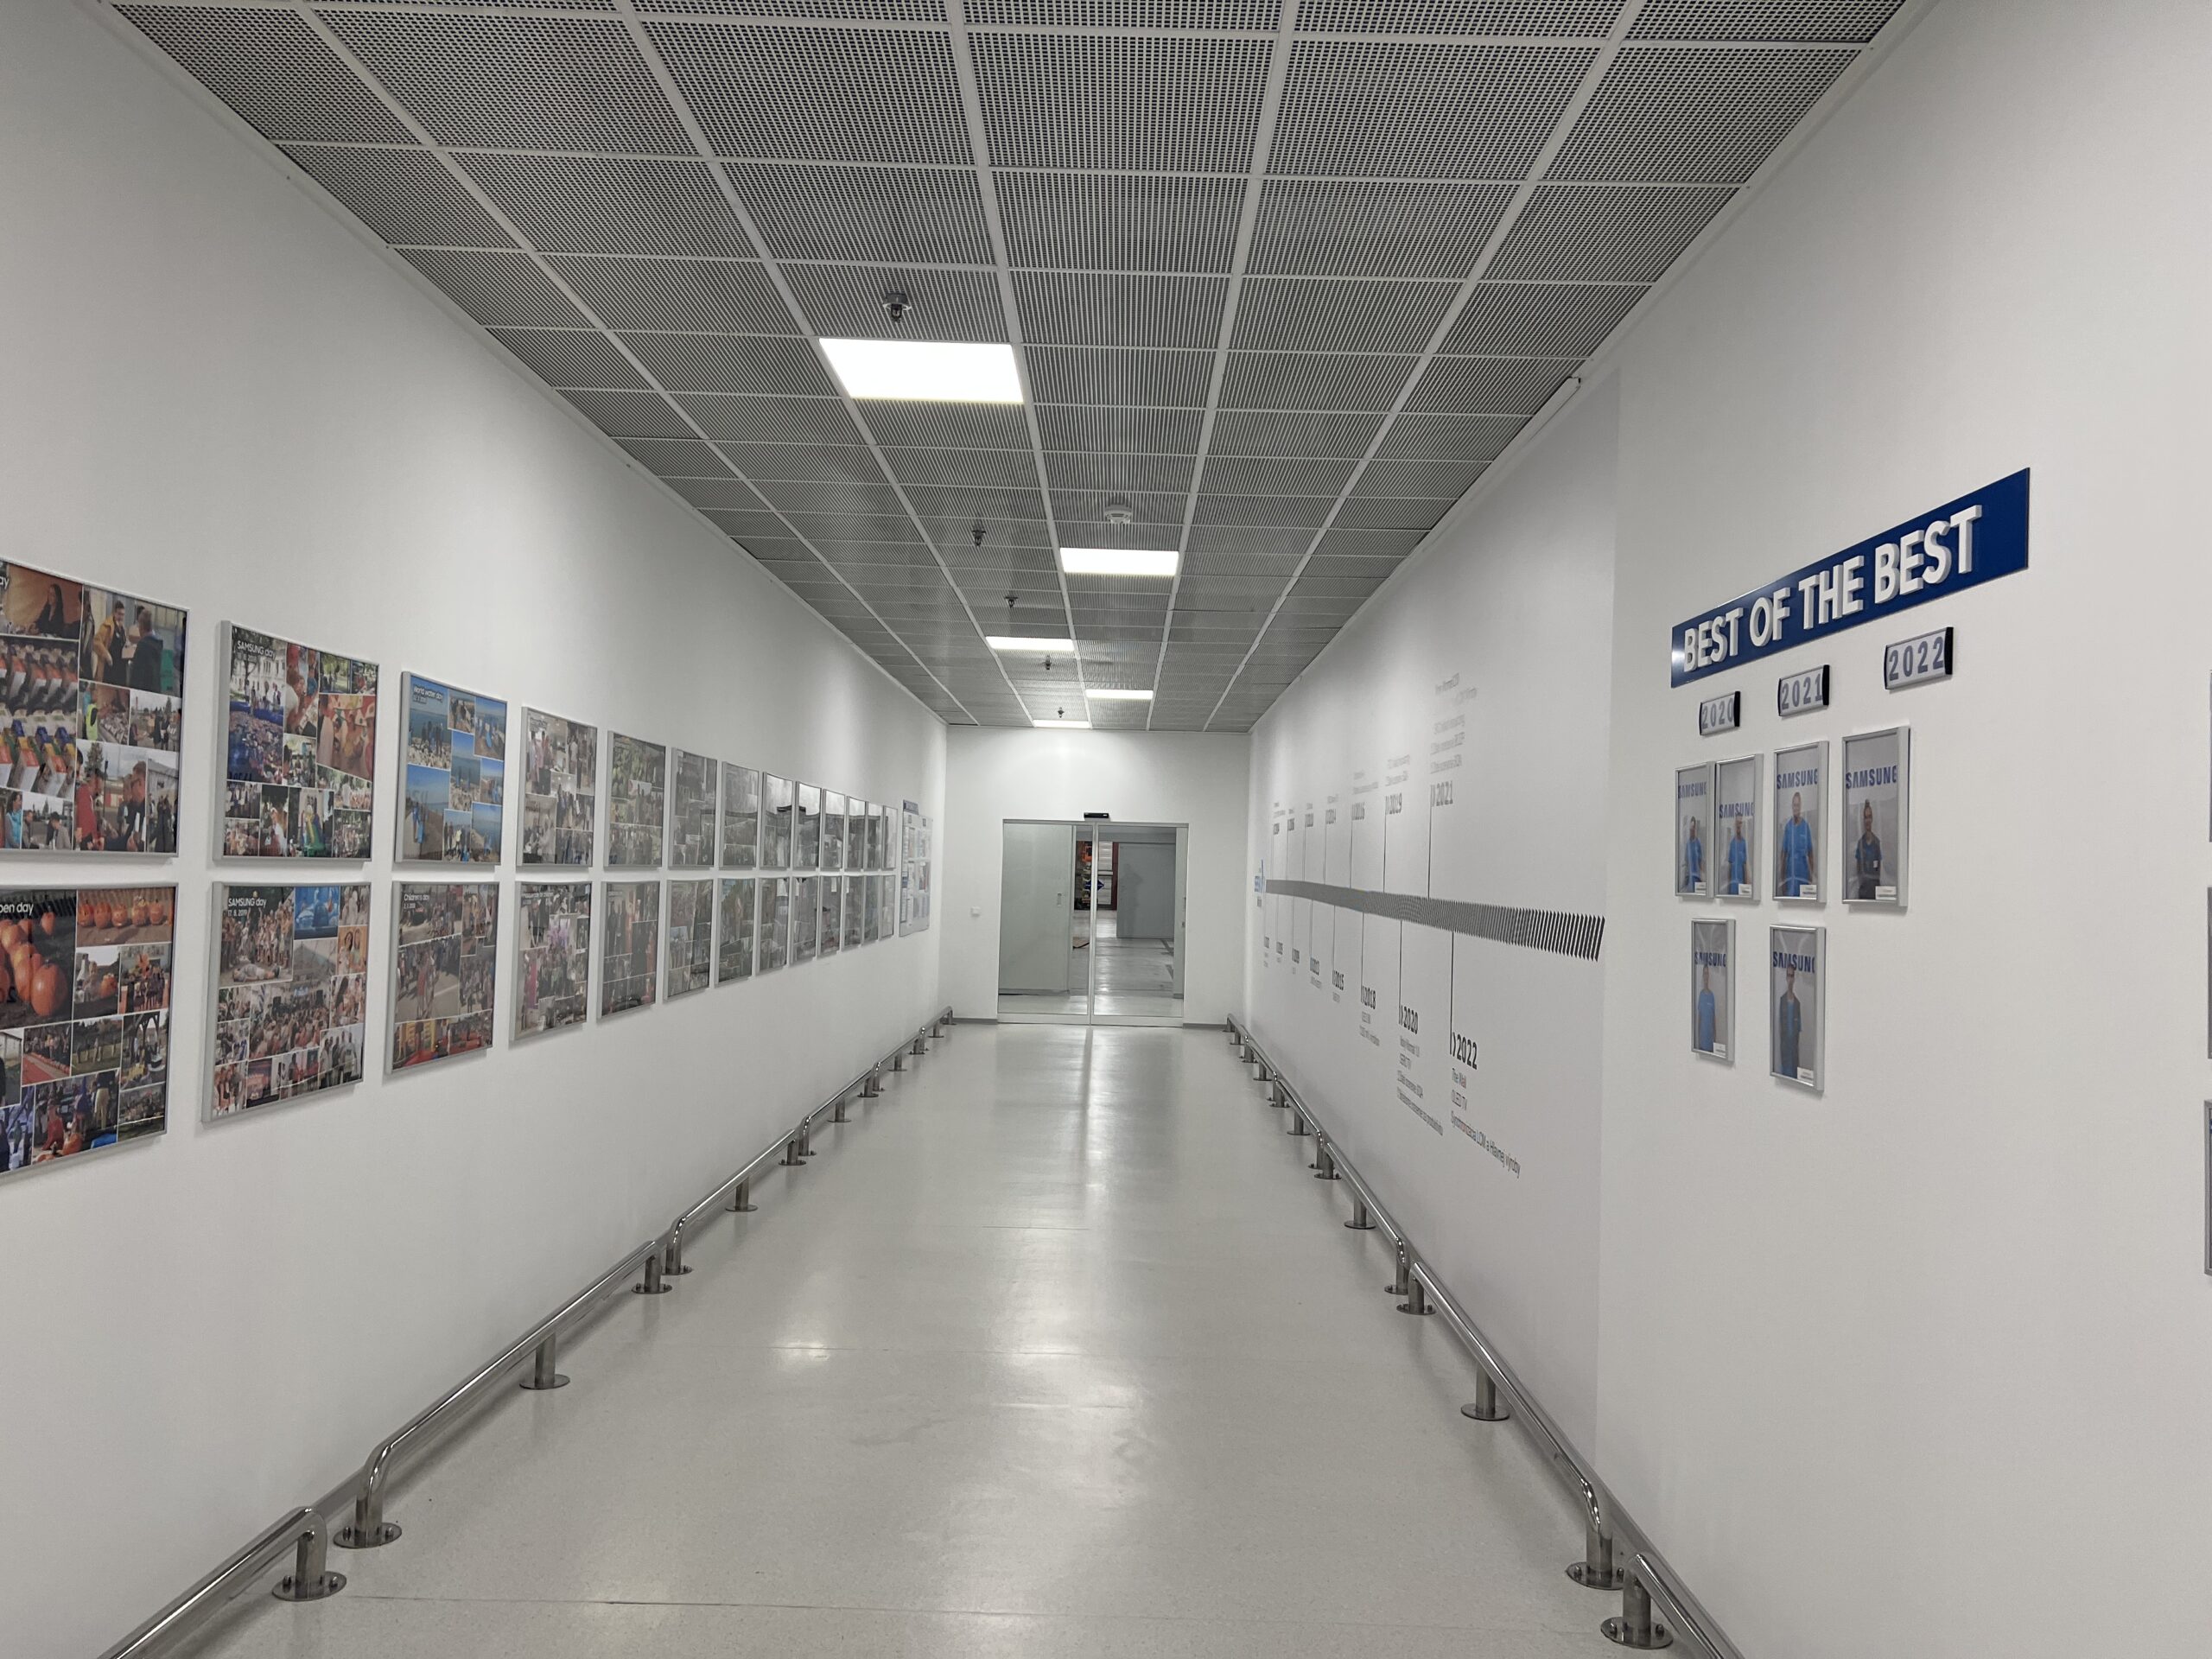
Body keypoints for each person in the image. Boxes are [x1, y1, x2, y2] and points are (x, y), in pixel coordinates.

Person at [1778, 791, 1815, 898]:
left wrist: (1811, 878)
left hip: (1803, 877)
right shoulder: (1788, 828)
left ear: (1800, 807)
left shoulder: (1805, 827)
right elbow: (1783, 856)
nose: (1796, 808)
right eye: (1794, 805)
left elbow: (1811, 855)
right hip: (1790, 878)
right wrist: (1783, 880)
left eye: (1798, 805)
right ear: (1792, 807)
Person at [1852, 800, 1885, 900]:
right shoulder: (1860, 844)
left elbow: (1879, 870)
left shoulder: (1877, 843)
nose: (1868, 821)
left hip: (1875, 890)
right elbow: (1858, 869)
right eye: (1865, 818)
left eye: (1869, 817)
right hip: (1864, 890)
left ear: (1872, 819)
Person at [1777, 963, 1803, 1079]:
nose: (1790, 979)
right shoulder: (1782, 1001)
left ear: (1794, 978)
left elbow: (1798, 1030)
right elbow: (1780, 1026)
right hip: (1785, 1047)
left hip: (1794, 1049)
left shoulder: (1797, 1004)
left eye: (1792, 976)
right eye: (1788, 975)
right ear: (1786, 978)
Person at [1695, 965, 1717, 1054]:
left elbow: (1714, 1019)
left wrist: (1715, 1039)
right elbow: (1699, 1019)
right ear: (1702, 976)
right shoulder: (1701, 995)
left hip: (1710, 1043)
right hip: (1702, 1043)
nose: (1706, 976)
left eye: (1707, 973)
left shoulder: (1712, 996)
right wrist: (1698, 1040)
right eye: (1704, 973)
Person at [1726, 817, 1749, 897]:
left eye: (1740, 823)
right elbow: (1730, 866)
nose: (1739, 826)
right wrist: (1728, 886)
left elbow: (1745, 866)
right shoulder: (1732, 844)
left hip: (1741, 884)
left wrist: (1746, 885)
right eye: (1737, 824)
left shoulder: (1744, 843)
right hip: (1733, 885)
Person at [1681, 815, 1703, 893]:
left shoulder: (1698, 843)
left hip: (1697, 878)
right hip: (1689, 878)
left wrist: (1702, 876)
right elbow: (1686, 861)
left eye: (1693, 828)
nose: (1692, 830)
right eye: (1690, 828)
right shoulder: (1688, 844)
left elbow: (1701, 862)